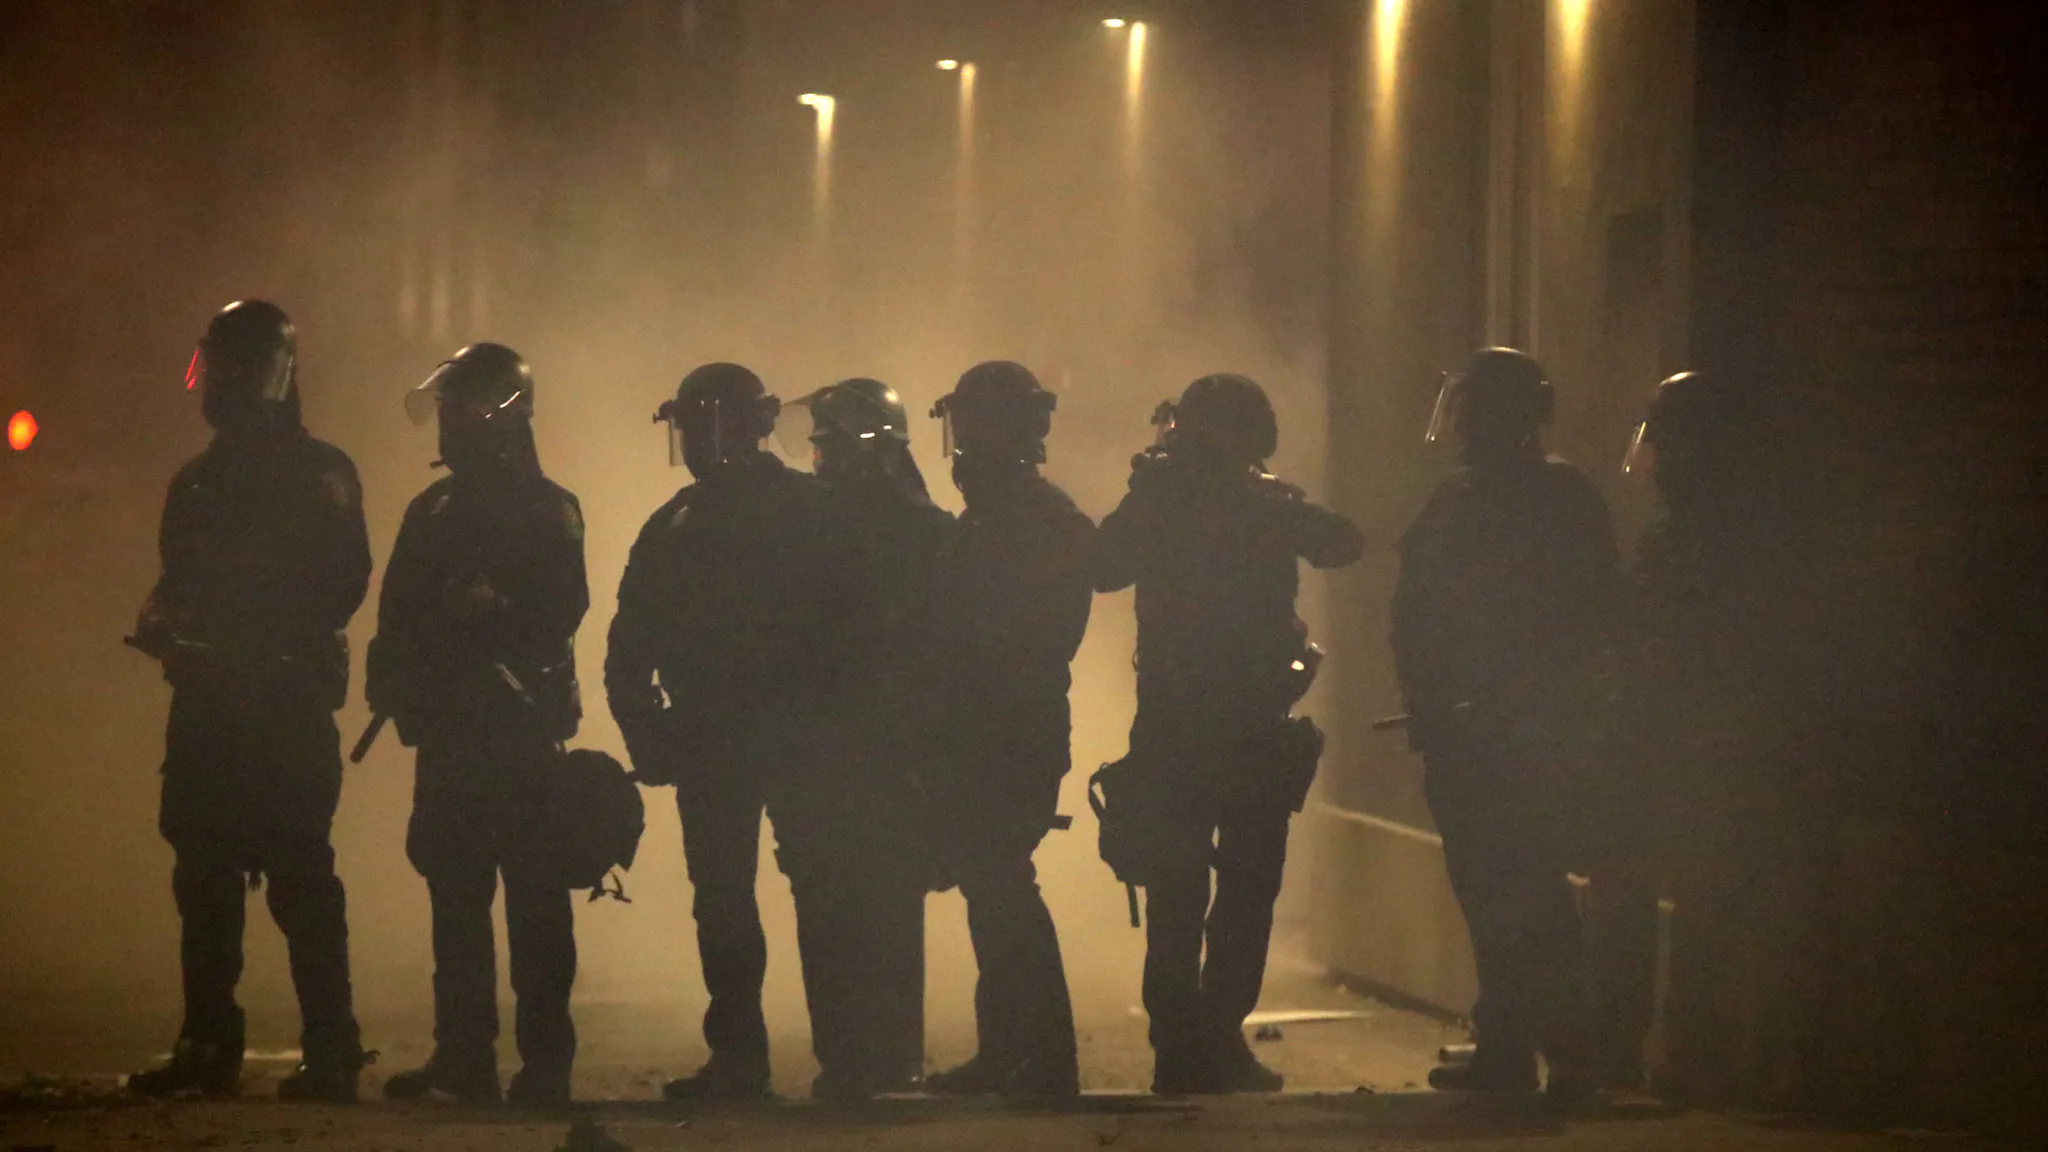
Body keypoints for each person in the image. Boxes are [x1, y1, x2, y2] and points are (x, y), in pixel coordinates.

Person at [128, 300, 372, 1103]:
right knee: (203, 876)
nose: (219, 382)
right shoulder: (194, 480)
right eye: (214, 363)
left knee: (301, 874)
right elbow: (176, 577)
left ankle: (332, 1047)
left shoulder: (321, 471)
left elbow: (340, 582)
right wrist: (163, 621)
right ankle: (207, 1042)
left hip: (283, 704)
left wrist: (247, 631)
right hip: (205, 707)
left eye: (234, 365)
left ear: (271, 371)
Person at [1095, 373, 1363, 1095]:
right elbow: (1104, 565)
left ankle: (1188, 1045)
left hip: (1200, 730)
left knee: (1188, 896)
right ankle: (1202, 1041)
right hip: (1227, 728)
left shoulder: (1230, 501)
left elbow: (1341, 542)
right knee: (1231, 892)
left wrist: (1192, 501)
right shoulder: (1232, 501)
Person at [605, 363, 859, 1101]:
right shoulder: (791, 510)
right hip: (754, 737)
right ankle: (811, 1059)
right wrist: (648, 734)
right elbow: (629, 647)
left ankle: (795, 1058)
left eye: (700, 425)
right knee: (760, 894)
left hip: (766, 736)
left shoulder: (703, 520)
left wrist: (650, 734)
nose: (693, 441)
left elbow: (859, 630)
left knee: (766, 893)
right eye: (689, 426)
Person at [1391, 347, 1617, 1100]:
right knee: (1495, 893)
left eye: (1473, 408)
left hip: (1521, 736)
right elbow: (1417, 612)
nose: (1461, 424)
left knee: (1528, 895)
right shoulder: (1470, 499)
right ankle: (1514, 1046)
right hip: (1476, 735)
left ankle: (1568, 1051)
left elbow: (1584, 621)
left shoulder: (1551, 499)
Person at [369, 343, 589, 1107]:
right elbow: (392, 615)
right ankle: (462, 1058)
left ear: (502, 413)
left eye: (461, 408)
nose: (448, 425)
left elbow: (566, 606)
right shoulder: (430, 510)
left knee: (535, 902)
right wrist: (392, 682)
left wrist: (499, 613)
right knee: (455, 901)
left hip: (520, 732)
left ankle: (546, 1065)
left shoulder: (548, 507)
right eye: (445, 409)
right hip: (451, 738)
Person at [1617, 370, 1800, 1106]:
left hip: (1700, 743)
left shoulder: (1694, 539)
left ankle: (1696, 1055)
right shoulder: (1749, 531)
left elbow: (1669, 643)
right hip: (1711, 739)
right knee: (1707, 898)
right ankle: (1703, 1054)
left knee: (1704, 900)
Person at [920, 362, 1094, 1099]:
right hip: (988, 730)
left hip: (1009, 732)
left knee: (1003, 889)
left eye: (970, 426)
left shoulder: (1039, 519)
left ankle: (1046, 1058)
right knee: (994, 891)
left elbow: (1030, 635)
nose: (960, 445)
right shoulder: (999, 518)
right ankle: (1007, 1053)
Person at [779, 377, 954, 1095]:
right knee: (829, 900)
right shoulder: (818, 528)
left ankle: (884, 1053)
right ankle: (853, 1055)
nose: (819, 459)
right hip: (826, 746)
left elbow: (945, 650)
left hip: (883, 747)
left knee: (879, 899)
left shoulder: (923, 534)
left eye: (829, 445)